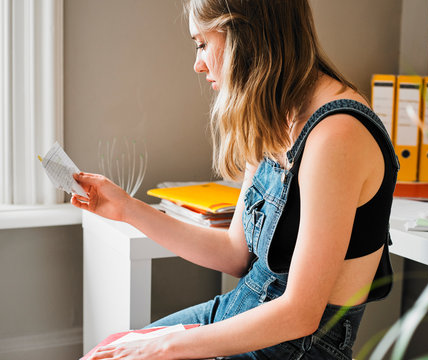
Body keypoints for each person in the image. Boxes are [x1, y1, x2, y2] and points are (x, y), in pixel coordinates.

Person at [72, 0, 399, 359]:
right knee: (105, 352)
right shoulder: (276, 112)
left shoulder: (337, 136)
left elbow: (300, 315)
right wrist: (127, 209)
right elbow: (234, 254)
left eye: (202, 44)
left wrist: (163, 345)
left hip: (296, 346)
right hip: (244, 310)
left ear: (244, 36)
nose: (197, 64)